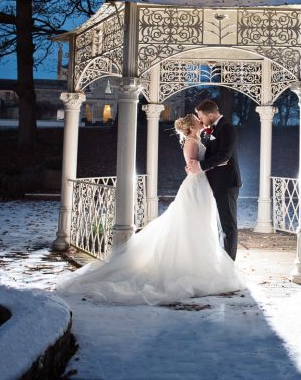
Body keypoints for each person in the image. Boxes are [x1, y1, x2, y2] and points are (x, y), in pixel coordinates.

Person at [57, 114, 244, 305]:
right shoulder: (191, 142)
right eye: (197, 120)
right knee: (192, 225)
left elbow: (202, 162)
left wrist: (209, 164)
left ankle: (205, 264)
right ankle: (192, 266)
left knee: (201, 225)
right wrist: (204, 165)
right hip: (195, 186)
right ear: (191, 126)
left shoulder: (197, 139)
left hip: (202, 185)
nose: (200, 121)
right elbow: (193, 165)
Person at [187, 100, 241, 261]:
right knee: (220, 225)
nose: (200, 120)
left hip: (226, 183)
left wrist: (201, 166)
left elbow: (225, 156)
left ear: (210, 114)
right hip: (215, 183)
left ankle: (229, 265)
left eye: (201, 116)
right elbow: (216, 156)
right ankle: (222, 260)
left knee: (228, 226)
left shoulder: (226, 128)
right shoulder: (210, 129)